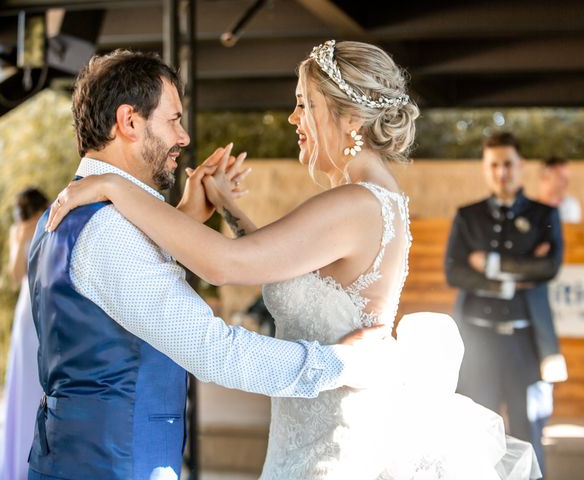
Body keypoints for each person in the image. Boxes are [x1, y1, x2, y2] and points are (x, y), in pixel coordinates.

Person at [47, 42, 540, 479]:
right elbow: (287, 267)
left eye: (304, 104)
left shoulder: (354, 203)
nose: (292, 117)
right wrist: (231, 211)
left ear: (349, 118)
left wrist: (113, 186)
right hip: (311, 431)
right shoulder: (370, 200)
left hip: (335, 441)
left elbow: (225, 266)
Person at [26, 49, 386, 480]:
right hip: (113, 466)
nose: (184, 138)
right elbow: (216, 351)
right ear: (129, 122)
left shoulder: (72, 213)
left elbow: (121, 296)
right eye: (174, 119)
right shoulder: (108, 229)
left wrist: (185, 218)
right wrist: (341, 363)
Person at [445, 131, 568, 475]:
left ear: (520, 165)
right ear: (486, 168)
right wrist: (519, 275)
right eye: (494, 165)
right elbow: (454, 272)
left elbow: (549, 266)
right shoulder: (467, 216)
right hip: (477, 342)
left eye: (508, 164)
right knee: (476, 432)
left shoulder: (545, 213)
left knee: (529, 431)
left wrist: (491, 265)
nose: (502, 172)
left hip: (526, 343)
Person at [1, 188, 48, 480]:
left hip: (49, 306)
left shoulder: (53, 223)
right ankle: (19, 463)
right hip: (26, 310)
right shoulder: (17, 232)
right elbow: (15, 274)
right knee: (23, 382)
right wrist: (20, 240)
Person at [538, 156, 581, 223]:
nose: (566, 182)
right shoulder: (531, 208)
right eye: (560, 178)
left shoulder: (571, 206)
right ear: (545, 177)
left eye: (566, 178)